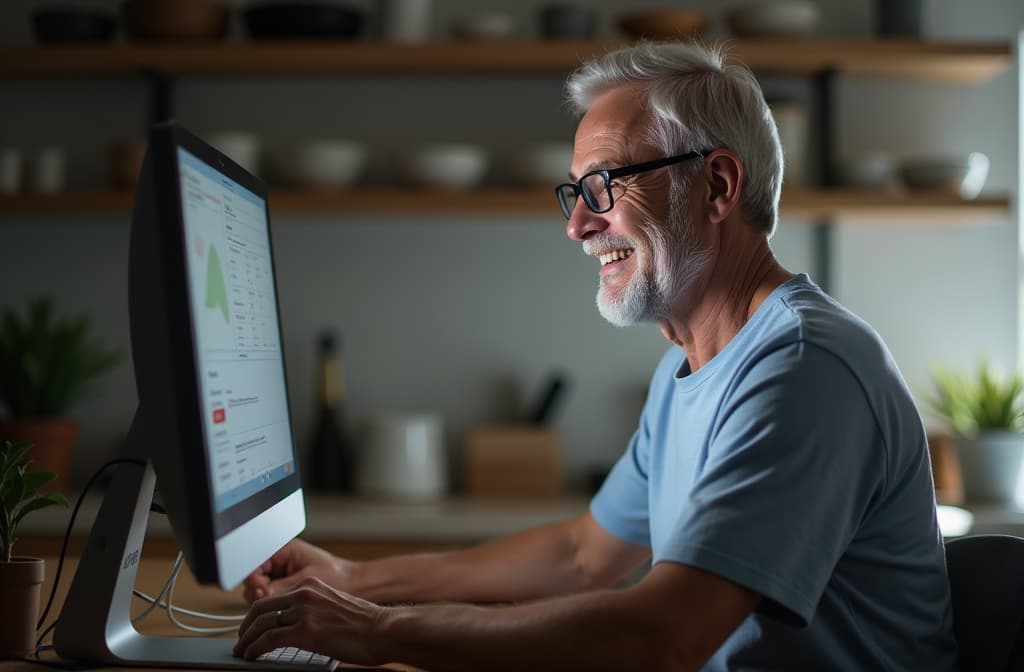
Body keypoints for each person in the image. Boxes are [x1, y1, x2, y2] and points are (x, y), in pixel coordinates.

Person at [233, 40, 958, 671]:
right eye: (575, 192)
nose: (579, 224)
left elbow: (660, 639)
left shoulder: (803, 369)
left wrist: (380, 632)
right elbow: (581, 555)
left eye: (606, 184)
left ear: (717, 185)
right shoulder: (693, 368)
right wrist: (355, 582)